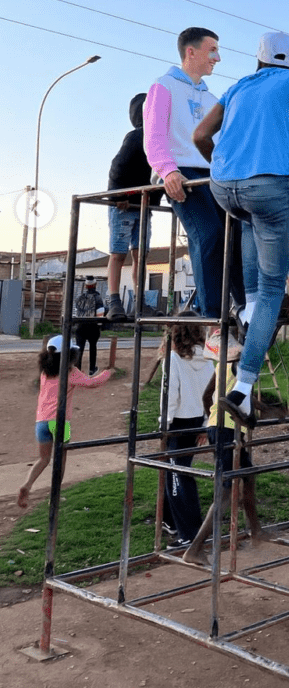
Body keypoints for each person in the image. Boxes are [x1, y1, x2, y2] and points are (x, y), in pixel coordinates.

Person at [192, 31, 289, 426]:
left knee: (255, 286)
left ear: (259, 60)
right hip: (267, 185)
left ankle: (249, 317)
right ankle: (243, 388)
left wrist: (221, 163)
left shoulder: (237, 87)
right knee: (274, 289)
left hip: (224, 188)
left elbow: (200, 136)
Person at [143, 27, 244, 340]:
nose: (218, 57)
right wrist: (167, 170)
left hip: (213, 173)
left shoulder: (213, 97)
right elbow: (154, 136)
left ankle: (244, 307)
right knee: (209, 234)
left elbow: (225, 142)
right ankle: (210, 316)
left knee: (237, 234)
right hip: (182, 175)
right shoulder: (163, 86)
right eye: (212, 49)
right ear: (191, 51)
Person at [182, 356, 262, 565]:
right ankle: (195, 548)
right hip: (228, 429)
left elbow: (209, 395)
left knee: (248, 475)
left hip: (220, 426)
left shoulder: (224, 362)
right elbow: (241, 398)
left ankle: (256, 531)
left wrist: (213, 415)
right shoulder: (244, 363)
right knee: (225, 492)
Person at [17, 335, 112, 508]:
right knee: (60, 460)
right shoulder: (70, 372)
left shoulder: (45, 372)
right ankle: (55, 495)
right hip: (60, 423)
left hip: (41, 422)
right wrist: (108, 373)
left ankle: (28, 484)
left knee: (44, 459)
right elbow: (91, 383)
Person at [105, 92, 162, 321]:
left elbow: (159, 174)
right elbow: (117, 168)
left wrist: (153, 201)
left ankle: (140, 302)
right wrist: (116, 195)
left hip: (143, 205)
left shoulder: (160, 138)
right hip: (124, 204)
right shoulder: (135, 137)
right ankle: (114, 301)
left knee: (141, 255)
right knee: (118, 253)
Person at [160, 321, 215, 547]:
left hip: (178, 423)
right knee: (174, 470)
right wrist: (204, 423)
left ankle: (190, 533)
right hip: (197, 419)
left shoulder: (173, 360)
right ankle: (170, 520)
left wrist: (164, 424)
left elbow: (170, 396)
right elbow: (211, 394)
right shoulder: (208, 359)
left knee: (178, 476)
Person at [74, 276, 105, 375]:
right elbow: (100, 313)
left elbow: (76, 312)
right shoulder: (98, 297)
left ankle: (77, 370)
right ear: (95, 285)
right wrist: (100, 325)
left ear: (85, 286)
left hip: (80, 326)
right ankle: (92, 369)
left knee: (79, 348)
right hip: (93, 326)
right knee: (93, 347)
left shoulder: (80, 297)